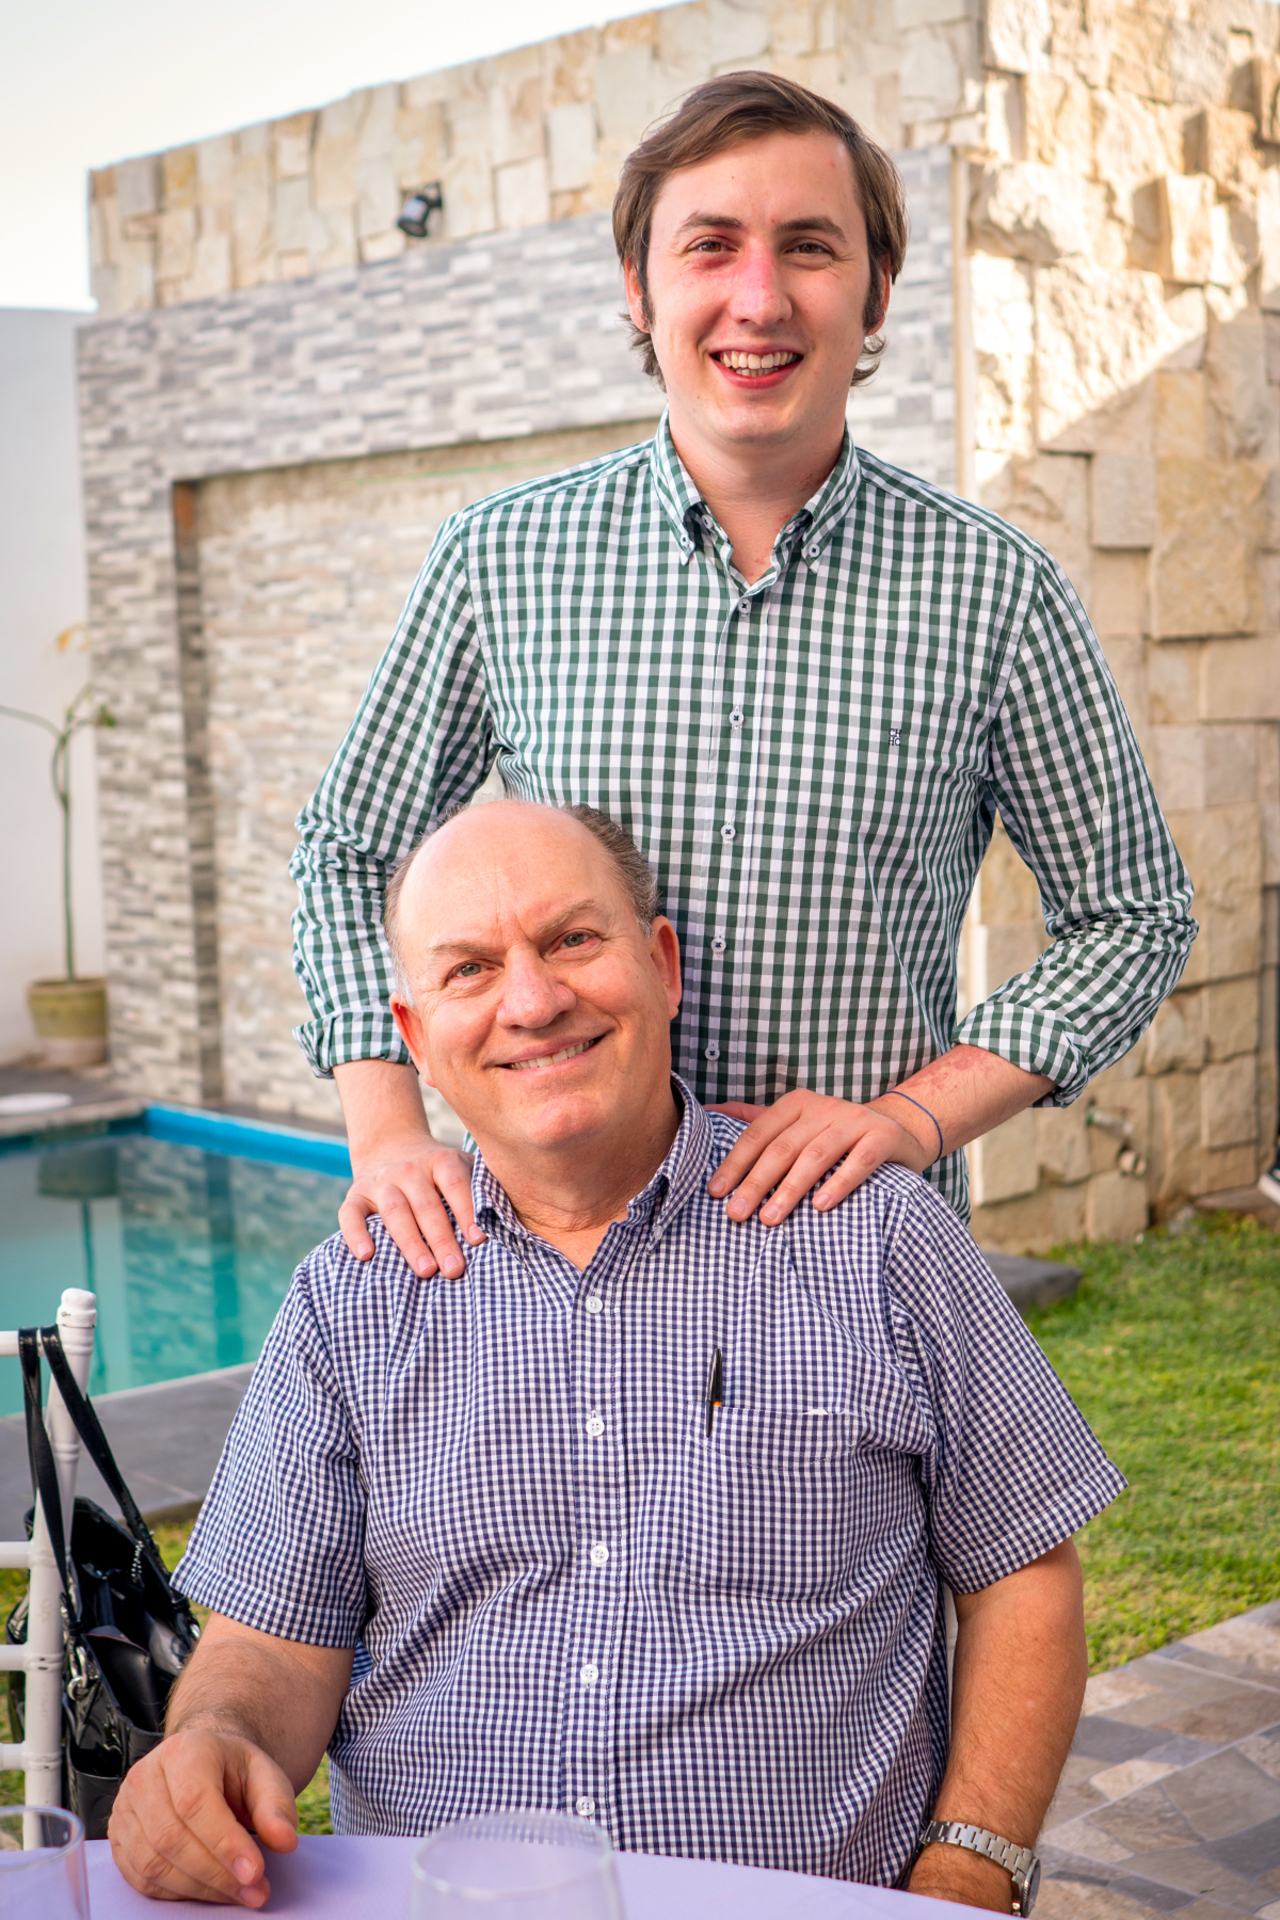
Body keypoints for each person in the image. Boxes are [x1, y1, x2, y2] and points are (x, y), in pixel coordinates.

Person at [112, 802, 1124, 1913]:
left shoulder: (873, 1236)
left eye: (572, 940)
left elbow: (1021, 1577)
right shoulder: (351, 1296)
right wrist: (215, 1736)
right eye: (469, 969)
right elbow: (270, 1645)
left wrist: (967, 1873)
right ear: (416, 1038)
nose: (532, 1001)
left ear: (662, 966)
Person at [290, 71, 1194, 1287]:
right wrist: (387, 1129)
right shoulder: (499, 560)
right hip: (561, 1260)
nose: (757, 299)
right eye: (709, 246)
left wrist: (910, 1119)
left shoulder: (996, 591)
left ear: (875, 292)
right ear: (639, 286)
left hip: (848, 1258)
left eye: (807, 247)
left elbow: (1131, 915)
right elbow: (349, 850)